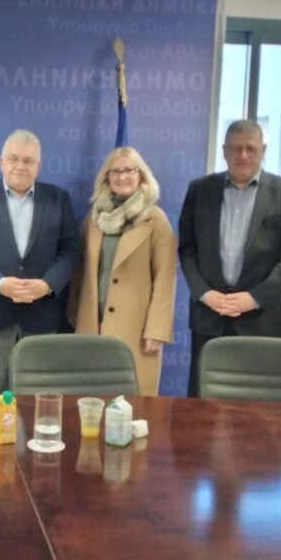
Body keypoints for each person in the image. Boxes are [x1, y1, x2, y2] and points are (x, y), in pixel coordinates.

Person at [178, 119, 281, 397]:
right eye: (236, 148)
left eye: (251, 148)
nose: (243, 155)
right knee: (203, 401)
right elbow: (187, 249)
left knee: (256, 402)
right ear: (224, 150)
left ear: (263, 150)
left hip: (261, 318)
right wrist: (204, 293)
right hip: (209, 314)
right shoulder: (200, 190)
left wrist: (255, 297)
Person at [0, 129, 80, 394]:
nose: (20, 166)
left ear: (39, 166)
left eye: (28, 160)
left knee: (37, 396)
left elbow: (70, 250)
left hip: (41, 316)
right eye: (14, 159)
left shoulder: (58, 199)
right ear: (1, 162)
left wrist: (48, 285)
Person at [70, 147, 176, 396]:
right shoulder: (94, 218)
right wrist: (74, 312)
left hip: (136, 329)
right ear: (106, 178)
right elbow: (79, 270)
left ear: (141, 175)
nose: (122, 176)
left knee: (133, 403)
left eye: (129, 170)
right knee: (91, 398)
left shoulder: (155, 219)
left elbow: (165, 279)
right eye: (115, 172)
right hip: (92, 323)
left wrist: (157, 329)